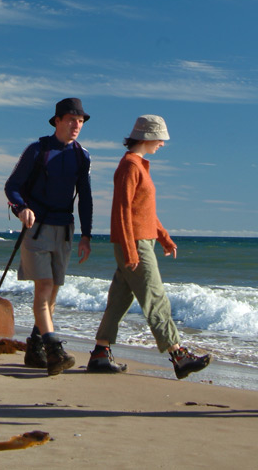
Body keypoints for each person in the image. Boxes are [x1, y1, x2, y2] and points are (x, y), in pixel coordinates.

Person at [87, 115, 211, 379]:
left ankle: (100, 354)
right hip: (135, 244)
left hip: (140, 241)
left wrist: (164, 237)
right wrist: (131, 249)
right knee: (155, 297)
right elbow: (122, 210)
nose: (163, 144)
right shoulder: (131, 166)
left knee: (119, 300)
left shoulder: (139, 165)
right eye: (161, 139)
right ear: (147, 136)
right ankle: (179, 355)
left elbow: (143, 211)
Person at [4, 98, 93, 376]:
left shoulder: (81, 155)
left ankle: (35, 348)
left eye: (79, 121)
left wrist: (86, 235)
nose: (76, 125)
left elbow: (86, 198)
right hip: (38, 227)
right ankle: (55, 351)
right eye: (70, 119)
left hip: (65, 228)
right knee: (43, 288)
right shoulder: (37, 149)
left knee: (53, 291)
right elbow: (12, 186)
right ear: (57, 121)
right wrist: (21, 209)